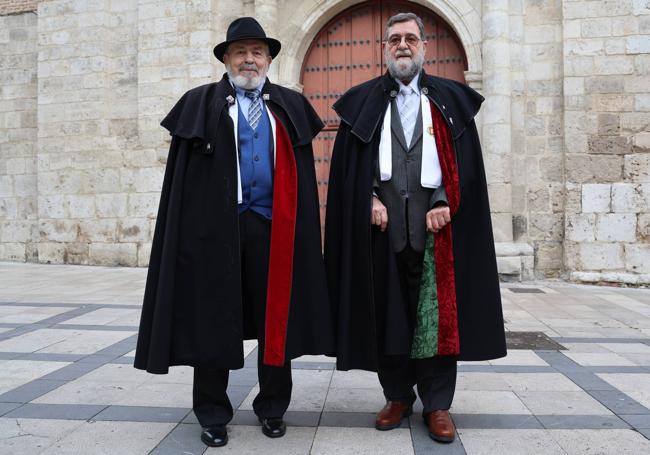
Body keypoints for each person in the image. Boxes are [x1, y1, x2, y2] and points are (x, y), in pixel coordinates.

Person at [134, 17, 335, 448]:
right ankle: (212, 412)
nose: (249, 59)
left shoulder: (287, 107)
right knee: (212, 320)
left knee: (275, 319)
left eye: (257, 52)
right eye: (240, 51)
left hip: (273, 229)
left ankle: (273, 407)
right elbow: (182, 185)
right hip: (214, 235)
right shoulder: (200, 104)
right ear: (226, 58)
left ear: (268, 60)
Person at [324, 12, 506, 443]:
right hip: (384, 234)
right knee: (391, 316)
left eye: (410, 38)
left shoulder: (449, 101)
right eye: (394, 40)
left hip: (436, 234)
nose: (402, 45)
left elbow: (464, 169)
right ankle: (398, 396)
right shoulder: (363, 102)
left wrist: (445, 200)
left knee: (438, 319)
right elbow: (352, 168)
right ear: (384, 49)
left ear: (424, 46)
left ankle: (438, 405)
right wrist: (367, 197)